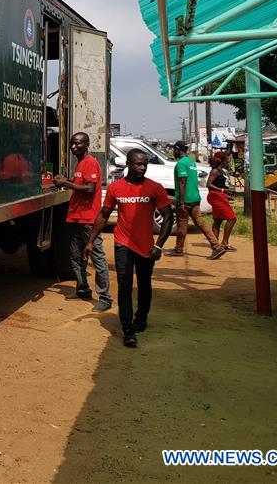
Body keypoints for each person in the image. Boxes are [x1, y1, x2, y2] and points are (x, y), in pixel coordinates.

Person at [85, 149, 174, 348]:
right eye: (138, 164)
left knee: (144, 285)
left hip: (146, 247)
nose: (142, 168)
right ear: (128, 164)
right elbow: (103, 215)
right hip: (123, 244)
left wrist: (159, 245)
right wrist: (91, 241)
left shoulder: (155, 188)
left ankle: (141, 318)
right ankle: (128, 330)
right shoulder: (116, 188)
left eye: (145, 164)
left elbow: (168, 217)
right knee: (124, 287)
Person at [54, 132, 112, 311]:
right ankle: (82, 289)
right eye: (72, 144)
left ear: (87, 145)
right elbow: (81, 185)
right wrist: (64, 182)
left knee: (97, 257)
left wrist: (67, 183)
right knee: (76, 256)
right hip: (76, 217)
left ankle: (105, 297)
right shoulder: (80, 163)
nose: (73, 147)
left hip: (88, 219)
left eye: (77, 144)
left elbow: (89, 188)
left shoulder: (91, 163)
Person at [166, 140, 226, 260]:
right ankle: (216, 246)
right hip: (195, 197)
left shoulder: (181, 164)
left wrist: (181, 201)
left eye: (174, 149)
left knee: (182, 224)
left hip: (186, 199)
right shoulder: (192, 163)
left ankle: (178, 249)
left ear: (178, 150)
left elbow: (183, 181)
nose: (173, 152)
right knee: (200, 223)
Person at [207, 151, 237, 251]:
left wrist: (226, 192)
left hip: (219, 196)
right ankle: (224, 243)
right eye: (227, 158)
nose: (228, 160)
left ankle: (215, 243)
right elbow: (209, 184)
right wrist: (223, 190)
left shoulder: (221, 170)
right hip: (216, 196)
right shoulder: (215, 171)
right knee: (232, 218)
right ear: (222, 160)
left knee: (218, 220)